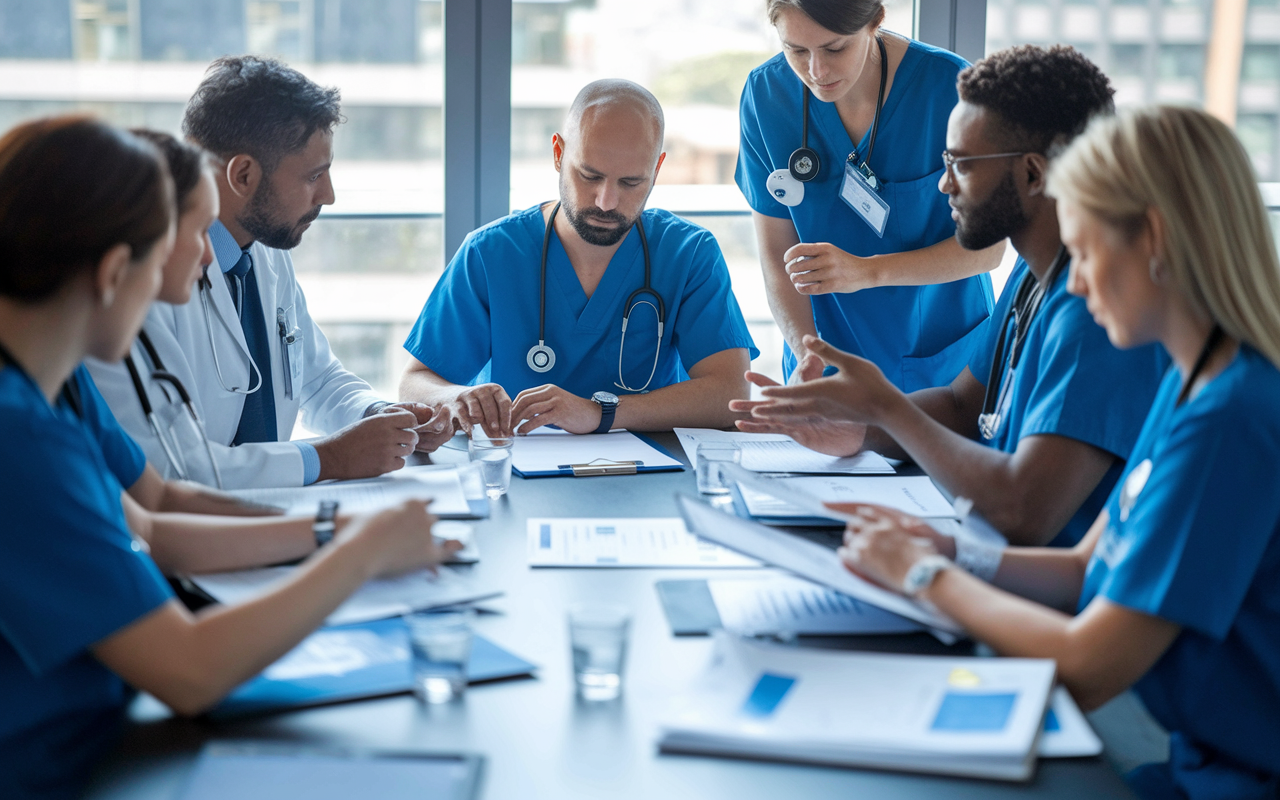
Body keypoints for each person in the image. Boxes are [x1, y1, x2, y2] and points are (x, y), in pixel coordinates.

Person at [0, 116, 459, 800]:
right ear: (113, 272)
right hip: (60, 767)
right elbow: (189, 670)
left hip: (110, 727)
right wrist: (355, 556)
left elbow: (152, 521)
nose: (197, 269)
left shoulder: (51, 382)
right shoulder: (18, 437)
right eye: (167, 258)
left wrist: (339, 533)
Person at [839, 106, 1280, 799]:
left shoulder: (1234, 419)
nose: (1074, 283)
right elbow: (1084, 569)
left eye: (1088, 252)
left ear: (1155, 239)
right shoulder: (1193, 379)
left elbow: (1087, 664)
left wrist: (925, 577)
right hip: (1198, 765)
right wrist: (952, 553)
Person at [732, 46, 1168, 547]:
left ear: (1032, 173)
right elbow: (963, 405)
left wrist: (885, 409)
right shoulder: (1032, 279)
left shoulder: (1096, 311)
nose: (942, 184)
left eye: (961, 165)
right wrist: (858, 429)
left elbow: (1022, 511)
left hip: (1044, 588)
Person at [88, 55, 453, 490]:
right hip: (205, 523)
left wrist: (382, 420)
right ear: (243, 174)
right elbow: (169, 469)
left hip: (264, 509)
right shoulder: (146, 281)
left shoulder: (265, 248)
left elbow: (316, 378)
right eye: (314, 175)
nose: (329, 195)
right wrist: (329, 456)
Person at [400, 80, 757, 437]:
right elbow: (416, 381)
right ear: (558, 153)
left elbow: (730, 393)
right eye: (590, 176)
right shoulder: (490, 254)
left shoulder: (688, 254)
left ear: (657, 169)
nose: (606, 201)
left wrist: (600, 413)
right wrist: (455, 397)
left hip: (652, 473)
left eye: (631, 183)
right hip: (519, 468)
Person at [738, 0, 1002, 390]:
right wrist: (807, 352)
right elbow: (779, 256)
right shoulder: (766, 97)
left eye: (835, 48)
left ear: (875, 21)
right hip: (827, 365)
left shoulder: (948, 88)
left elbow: (988, 250)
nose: (816, 71)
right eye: (796, 50)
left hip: (945, 369)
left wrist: (867, 272)